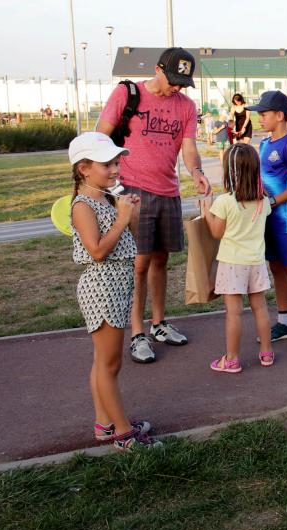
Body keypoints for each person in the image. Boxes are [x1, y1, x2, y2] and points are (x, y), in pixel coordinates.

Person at [97, 47, 211, 364]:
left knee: (161, 260)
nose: (176, 87)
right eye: (173, 80)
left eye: (182, 83)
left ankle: (158, 323)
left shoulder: (186, 106)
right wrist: (106, 182)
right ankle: (137, 334)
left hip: (168, 191)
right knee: (140, 263)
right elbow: (100, 137)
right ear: (158, 69)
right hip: (133, 189)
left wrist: (197, 172)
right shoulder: (127, 94)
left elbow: (189, 148)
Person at [68, 132, 159, 451]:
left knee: (104, 362)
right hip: (101, 288)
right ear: (84, 169)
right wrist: (121, 219)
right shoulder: (82, 206)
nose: (116, 169)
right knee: (110, 365)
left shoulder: (107, 199)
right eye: (106, 164)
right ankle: (123, 433)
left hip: (117, 286)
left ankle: (105, 424)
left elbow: (129, 238)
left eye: (116, 162)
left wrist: (131, 216)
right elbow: (97, 251)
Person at [198, 144, 273, 373]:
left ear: (230, 172)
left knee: (234, 313)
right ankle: (267, 353)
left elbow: (216, 232)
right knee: (260, 308)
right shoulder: (264, 200)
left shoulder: (225, 202)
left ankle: (231, 359)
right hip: (256, 262)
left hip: (232, 264)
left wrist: (206, 209)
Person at [247, 90, 287, 342]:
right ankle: (285, 322)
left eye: (264, 114)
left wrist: (271, 202)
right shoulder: (264, 144)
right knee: (276, 268)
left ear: (280, 116)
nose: (259, 119)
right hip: (267, 218)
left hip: (283, 218)